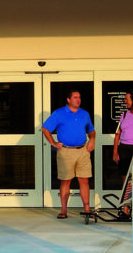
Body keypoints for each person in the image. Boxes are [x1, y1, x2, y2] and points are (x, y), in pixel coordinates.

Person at [42, 89, 97, 219]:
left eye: (79, 97)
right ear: (68, 99)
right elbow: (45, 128)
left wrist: (92, 139)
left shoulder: (84, 114)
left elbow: (91, 130)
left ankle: (87, 209)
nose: (78, 100)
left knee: (84, 180)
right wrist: (53, 143)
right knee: (65, 181)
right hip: (65, 151)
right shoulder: (59, 113)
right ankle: (63, 210)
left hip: (83, 151)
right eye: (75, 97)